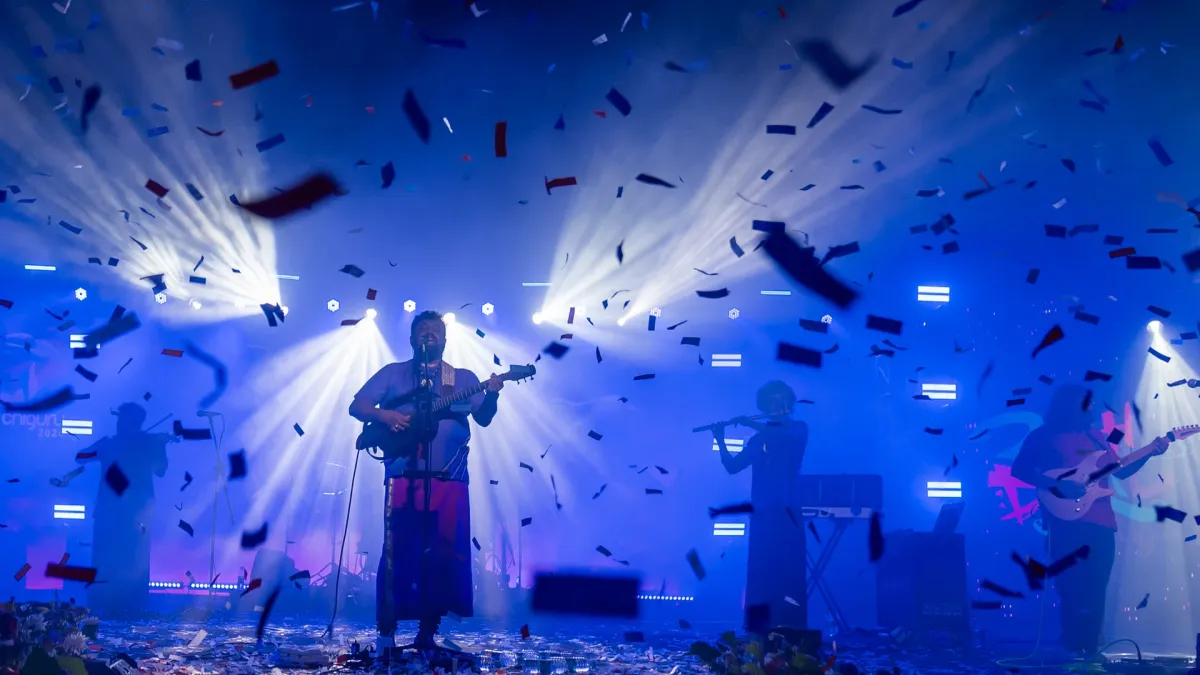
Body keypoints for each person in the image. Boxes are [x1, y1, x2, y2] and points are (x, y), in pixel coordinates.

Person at [349, 311, 503, 651]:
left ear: (446, 341)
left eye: (436, 330)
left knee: (443, 553)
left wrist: (492, 393)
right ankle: (386, 630)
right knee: (397, 551)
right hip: (403, 476)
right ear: (412, 338)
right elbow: (357, 405)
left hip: (450, 478)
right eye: (423, 330)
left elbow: (485, 418)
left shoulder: (460, 378)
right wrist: (384, 414)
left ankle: (427, 632)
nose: (429, 334)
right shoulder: (393, 373)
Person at [1012, 385, 1170, 660]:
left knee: (1096, 587)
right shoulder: (1044, 436)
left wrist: (1151, 452)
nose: (1095, 407)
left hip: (1100, 524)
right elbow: (1019, 469)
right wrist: (1057, 486)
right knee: (1070, 587)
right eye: (1089, 402)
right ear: (1073, 404)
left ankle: (1089, 651)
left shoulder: (1097, 438)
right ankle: (1072, 647)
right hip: (1064, 524)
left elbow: (1120, 472)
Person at [713, 380, 809, 630]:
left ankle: (792, 625)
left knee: (789, 571)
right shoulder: (757, 440)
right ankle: (759, 627)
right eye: (771, 401)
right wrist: (720, 440)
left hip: (788, 513)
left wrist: (749, 423)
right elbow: (733, 467)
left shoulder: (798, 429)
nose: (776, 405)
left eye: (781, 400)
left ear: (790, 403)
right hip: (762, 513)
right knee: (761, 572)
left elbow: (780, 435)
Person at [76, 403, 173, 618]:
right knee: (109, 559)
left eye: (122, 419)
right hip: (113, 512)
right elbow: (80, 456)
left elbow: (160, 470)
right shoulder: (112, 444)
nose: (118, 423)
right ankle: (104, 607)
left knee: (132, 559)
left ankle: (131, 608)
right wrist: (104, 446)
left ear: (133, 422)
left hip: (134, 514)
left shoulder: (147, 444)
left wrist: (158, 446)